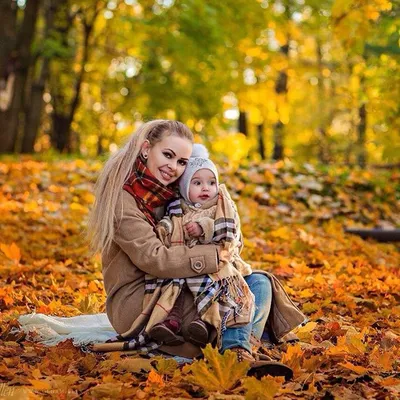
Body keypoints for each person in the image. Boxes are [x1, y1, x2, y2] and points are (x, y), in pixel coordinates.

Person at [88, 120, 306, 380]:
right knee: (232, 308)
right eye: (168, 155)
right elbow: (154, 258)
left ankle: (238, 345)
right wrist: (213, 257)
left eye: (182, 162)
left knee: (259, 283)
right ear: (146, 149)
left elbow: (218, 236)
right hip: (143, 300)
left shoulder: (169, 193)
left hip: (179, 285)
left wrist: (224, 227)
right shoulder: (123, 198)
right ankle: (239, 352)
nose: (173, 167)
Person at [147, 144, 254, 348]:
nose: (206, 188)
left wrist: (204, 227)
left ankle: (203, 323)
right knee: (178, 293)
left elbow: (227, 233)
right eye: (197, 183)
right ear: (185, 188)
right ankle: (171, 322)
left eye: (211, 182)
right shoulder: (179, 208)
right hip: (185, 265)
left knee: (209, 291)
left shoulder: (219, 207)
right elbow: (173, 222)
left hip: (212, 267)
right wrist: (165, 228)